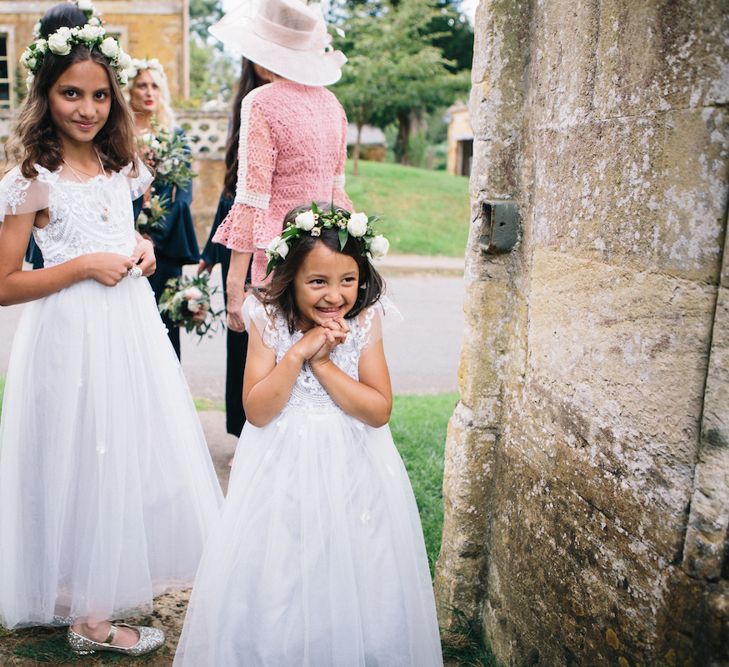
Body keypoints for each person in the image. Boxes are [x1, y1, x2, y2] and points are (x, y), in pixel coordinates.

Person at [0, 4, 223, 657]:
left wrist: (141, 246)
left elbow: (122, 229)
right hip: (67, 336)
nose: (88, 107)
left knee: (115, 454)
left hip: (126, 331)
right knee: (70, 456)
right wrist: (79, 267)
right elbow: (5, 281)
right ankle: (86, 614)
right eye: (71, 92)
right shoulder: (32, 180)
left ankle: (90, 596)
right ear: (44, 93)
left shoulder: (121, 163)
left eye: (100, 94)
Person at [174, 205, 442, 666]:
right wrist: (298, 353)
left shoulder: (363, 321)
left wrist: (324, 365)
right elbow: (257, 410)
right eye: (317, 281)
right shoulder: (269, 319)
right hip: (280, 463)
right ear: (290, 278)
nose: (334, 295)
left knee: (352, 564)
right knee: (282, 563)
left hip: (352, 465)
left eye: (347, 281)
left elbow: (378, 410)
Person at [207, 0, 351, 337]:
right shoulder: (333, 105)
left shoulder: (261, 101)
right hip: (323, 256)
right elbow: (337, 193)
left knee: (267, 372)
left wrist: (233, 289)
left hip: (276, 260)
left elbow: (251, 198)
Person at [199, 57, 264, 436]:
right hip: (240, 233)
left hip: (281, 229)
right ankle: (243, 430)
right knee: (241, 334)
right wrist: (211, 251)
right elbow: (231, 192)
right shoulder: (246, 106)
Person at [128, 58, 199, 359]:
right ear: (129, 90)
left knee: (166, 321)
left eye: (154, 86)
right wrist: (134, 232)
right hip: (126, 239)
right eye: (141, 85)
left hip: (167, 243)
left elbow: (183, 193)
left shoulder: (175, 136)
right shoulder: (118, 134)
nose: (148, 92)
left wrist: (154, 233)